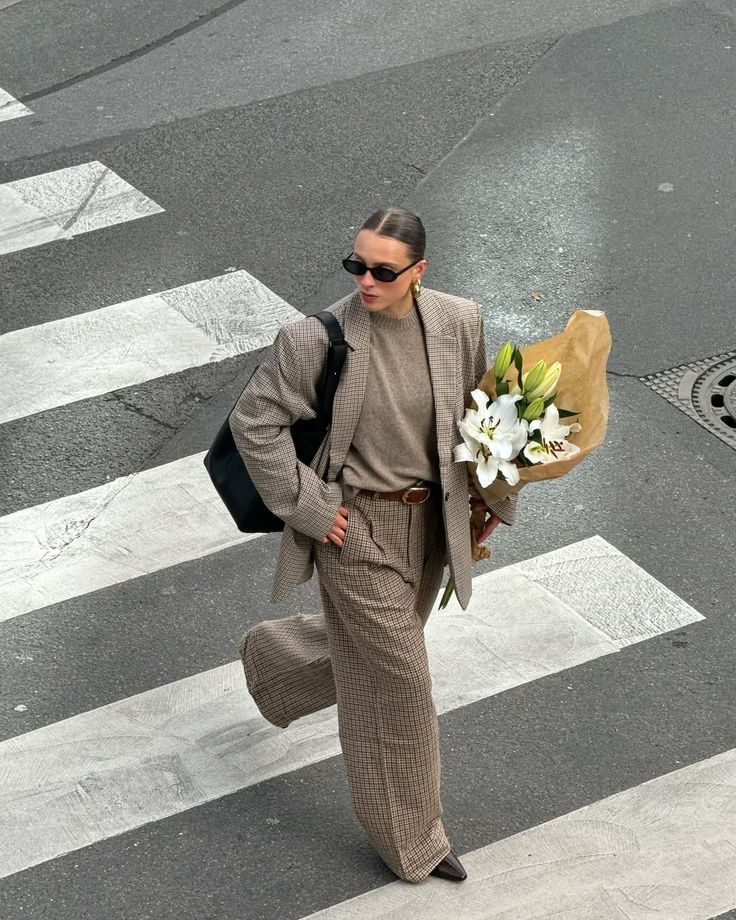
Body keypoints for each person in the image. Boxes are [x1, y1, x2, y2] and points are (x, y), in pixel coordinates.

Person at [229, 207, 519, 884]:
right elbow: (255, 423)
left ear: (419, 271)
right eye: (355, 264)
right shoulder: (314, 340)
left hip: (431, 527)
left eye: (383, 270)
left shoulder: (458, 322)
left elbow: (484, 415)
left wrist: (492, 503)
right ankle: (412, 841)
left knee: (364, 656)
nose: (365, 280)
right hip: (354, 530)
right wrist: (309, 507)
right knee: (402, 682)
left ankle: (272, 664)